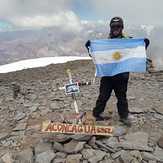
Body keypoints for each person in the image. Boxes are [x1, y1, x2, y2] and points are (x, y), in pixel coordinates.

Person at [85, 17, 150, 126]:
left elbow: (138, 50)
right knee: (103, 96)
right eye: (113, 26)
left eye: (118, 26)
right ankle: (96, 114)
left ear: (122, 27)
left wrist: (145, 44)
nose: (116, 29)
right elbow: (95, 55)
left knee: (122, 97)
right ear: (110, 28)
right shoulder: (105, 43)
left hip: (122, 75)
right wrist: (89, 47)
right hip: (108, 75)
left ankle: (124, 116)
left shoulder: (128, 41)